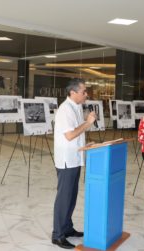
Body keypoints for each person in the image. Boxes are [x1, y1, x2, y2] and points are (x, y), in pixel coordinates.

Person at [52, 78, 96, 249]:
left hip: (75, 158)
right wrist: (88, 123)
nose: (86, 94)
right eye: (83, 91)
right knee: (64, 198)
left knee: (71, 197)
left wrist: (85, 145)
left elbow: (76, 135)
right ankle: (57, 235)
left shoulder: (76, 107)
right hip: (66, 160)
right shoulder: (65, 110)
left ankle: (67, 228)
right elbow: (70, 135)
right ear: (73, 92)